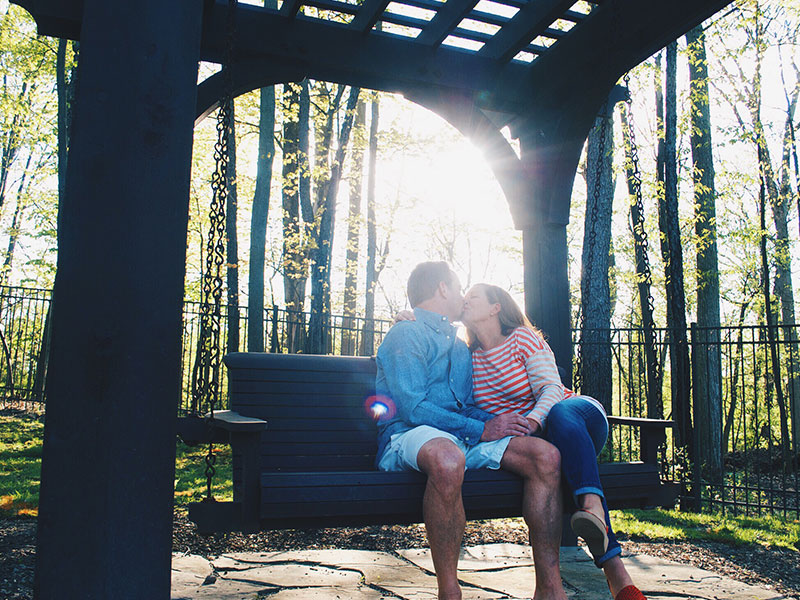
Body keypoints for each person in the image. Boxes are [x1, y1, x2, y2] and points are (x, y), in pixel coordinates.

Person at [375, 261, 568, 600]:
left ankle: (550, 590)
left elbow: (463, 405)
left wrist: (502, 422)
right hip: (408, 435)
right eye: (458, 287)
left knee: (545, 456)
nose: (463, 296)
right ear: (443, 288)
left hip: (459, 437)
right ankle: (450, 592)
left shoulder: (460, 347)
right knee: (448, 459)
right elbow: (412, 408)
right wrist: (481, 428)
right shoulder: (405, 334)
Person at [460, 283, 648, 600]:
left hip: (576, 419)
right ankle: (620, 579)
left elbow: (551, 389)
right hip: (545, 448)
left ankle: (592, 505)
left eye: (472, 297)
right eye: (463, 298)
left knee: (560, 412)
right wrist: (409, 317)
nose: (465, 301)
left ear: (496, 307)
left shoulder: (521, 337)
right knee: (553, 462)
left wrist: (532, 422)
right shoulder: (469, 357)